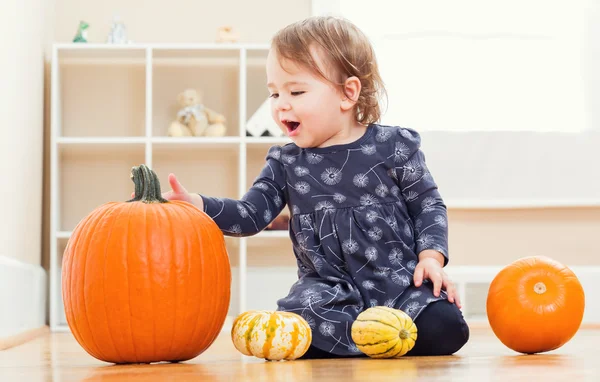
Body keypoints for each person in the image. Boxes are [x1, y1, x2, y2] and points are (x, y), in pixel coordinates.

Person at [158, 16, 469, 358]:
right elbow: (250, 215)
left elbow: (427, 204)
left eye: (296, 91)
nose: (280, 104)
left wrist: (431, 257)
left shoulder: (393, 145)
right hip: (328, 291)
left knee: (446, 328)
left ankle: (375, 337)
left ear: (348, 93)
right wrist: (198, 205)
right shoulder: (286, 162)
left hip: (397, 281)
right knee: (299, 327)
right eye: (274, 93)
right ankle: (363, 339)